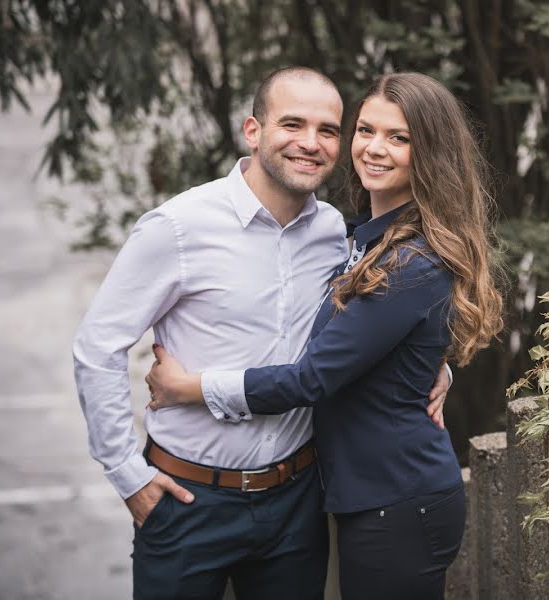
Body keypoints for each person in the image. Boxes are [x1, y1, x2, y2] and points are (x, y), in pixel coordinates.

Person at [73, 67, 450, 600]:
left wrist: (435, 364)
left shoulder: (334, 236)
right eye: (291, 124)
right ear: (253, 130)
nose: (309, 143)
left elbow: (372, 332)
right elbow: (97, 348)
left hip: (297, 501)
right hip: (187, 499)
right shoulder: (179, 227)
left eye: (327, 130)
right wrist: (127, 475)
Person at [145, 72, 504, 600]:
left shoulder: (411, 261)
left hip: (398, 504)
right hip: (373, 496)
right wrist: (437, 368)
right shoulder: (364, 237)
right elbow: (394, 344)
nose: (374, 149)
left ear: (429, 153)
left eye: (398, 138)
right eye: (366, 131)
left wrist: (188, 388)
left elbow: (312, 377)